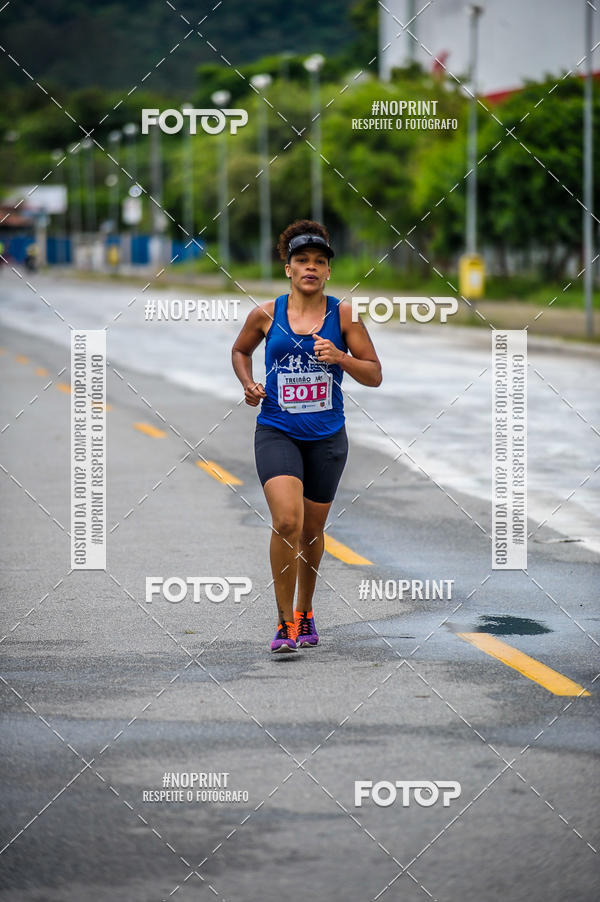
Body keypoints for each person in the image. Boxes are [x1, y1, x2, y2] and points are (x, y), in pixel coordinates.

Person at [232, 219, 382, 653]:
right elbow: (241, 351)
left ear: (329, 271)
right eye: (302, 260)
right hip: (277, 430)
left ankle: (305, 612)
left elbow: (374, 374)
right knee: (287, 521)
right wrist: (248, 383)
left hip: (327, 438)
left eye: (319, 261)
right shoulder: (265, 314)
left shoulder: (344, 315)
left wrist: (340, 357)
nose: (310, 268)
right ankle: (283, 625)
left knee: (313, 532)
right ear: (289, 269)